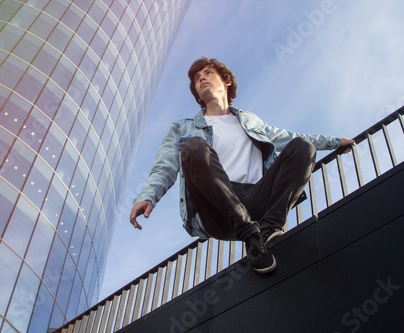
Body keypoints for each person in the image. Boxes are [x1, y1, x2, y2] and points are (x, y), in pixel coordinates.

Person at [129, 57, 356, 273]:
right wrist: (147, 197)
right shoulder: (182, 129)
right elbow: (164, 167)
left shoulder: (249, 120)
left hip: (259, 199)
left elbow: (286, 137)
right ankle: (251, 237)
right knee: (193, 147)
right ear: (196, 93)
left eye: (208, 73)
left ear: (226, 81)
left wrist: (335, 142)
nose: (201, 79)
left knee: (302, 146)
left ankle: (268, 230)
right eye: (197, 78)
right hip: (218, 210)